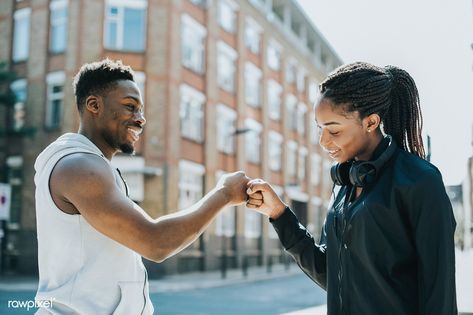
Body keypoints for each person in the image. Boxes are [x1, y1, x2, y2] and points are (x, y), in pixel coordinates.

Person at [34, 59, 250, 314]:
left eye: (141, 110)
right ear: (94, 105)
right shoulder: (81, 167)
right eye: (130, 107)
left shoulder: (87, 164)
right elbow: (155, 242)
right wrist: (224, 194)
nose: (141, 119)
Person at [246, 62, 457, 314]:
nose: (323, 141)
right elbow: (330, 274)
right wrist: (279, 214)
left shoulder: (419, 181)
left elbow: (439, 292)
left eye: (333, 130)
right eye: (320, 128)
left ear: (370, 122)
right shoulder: (343, 187)